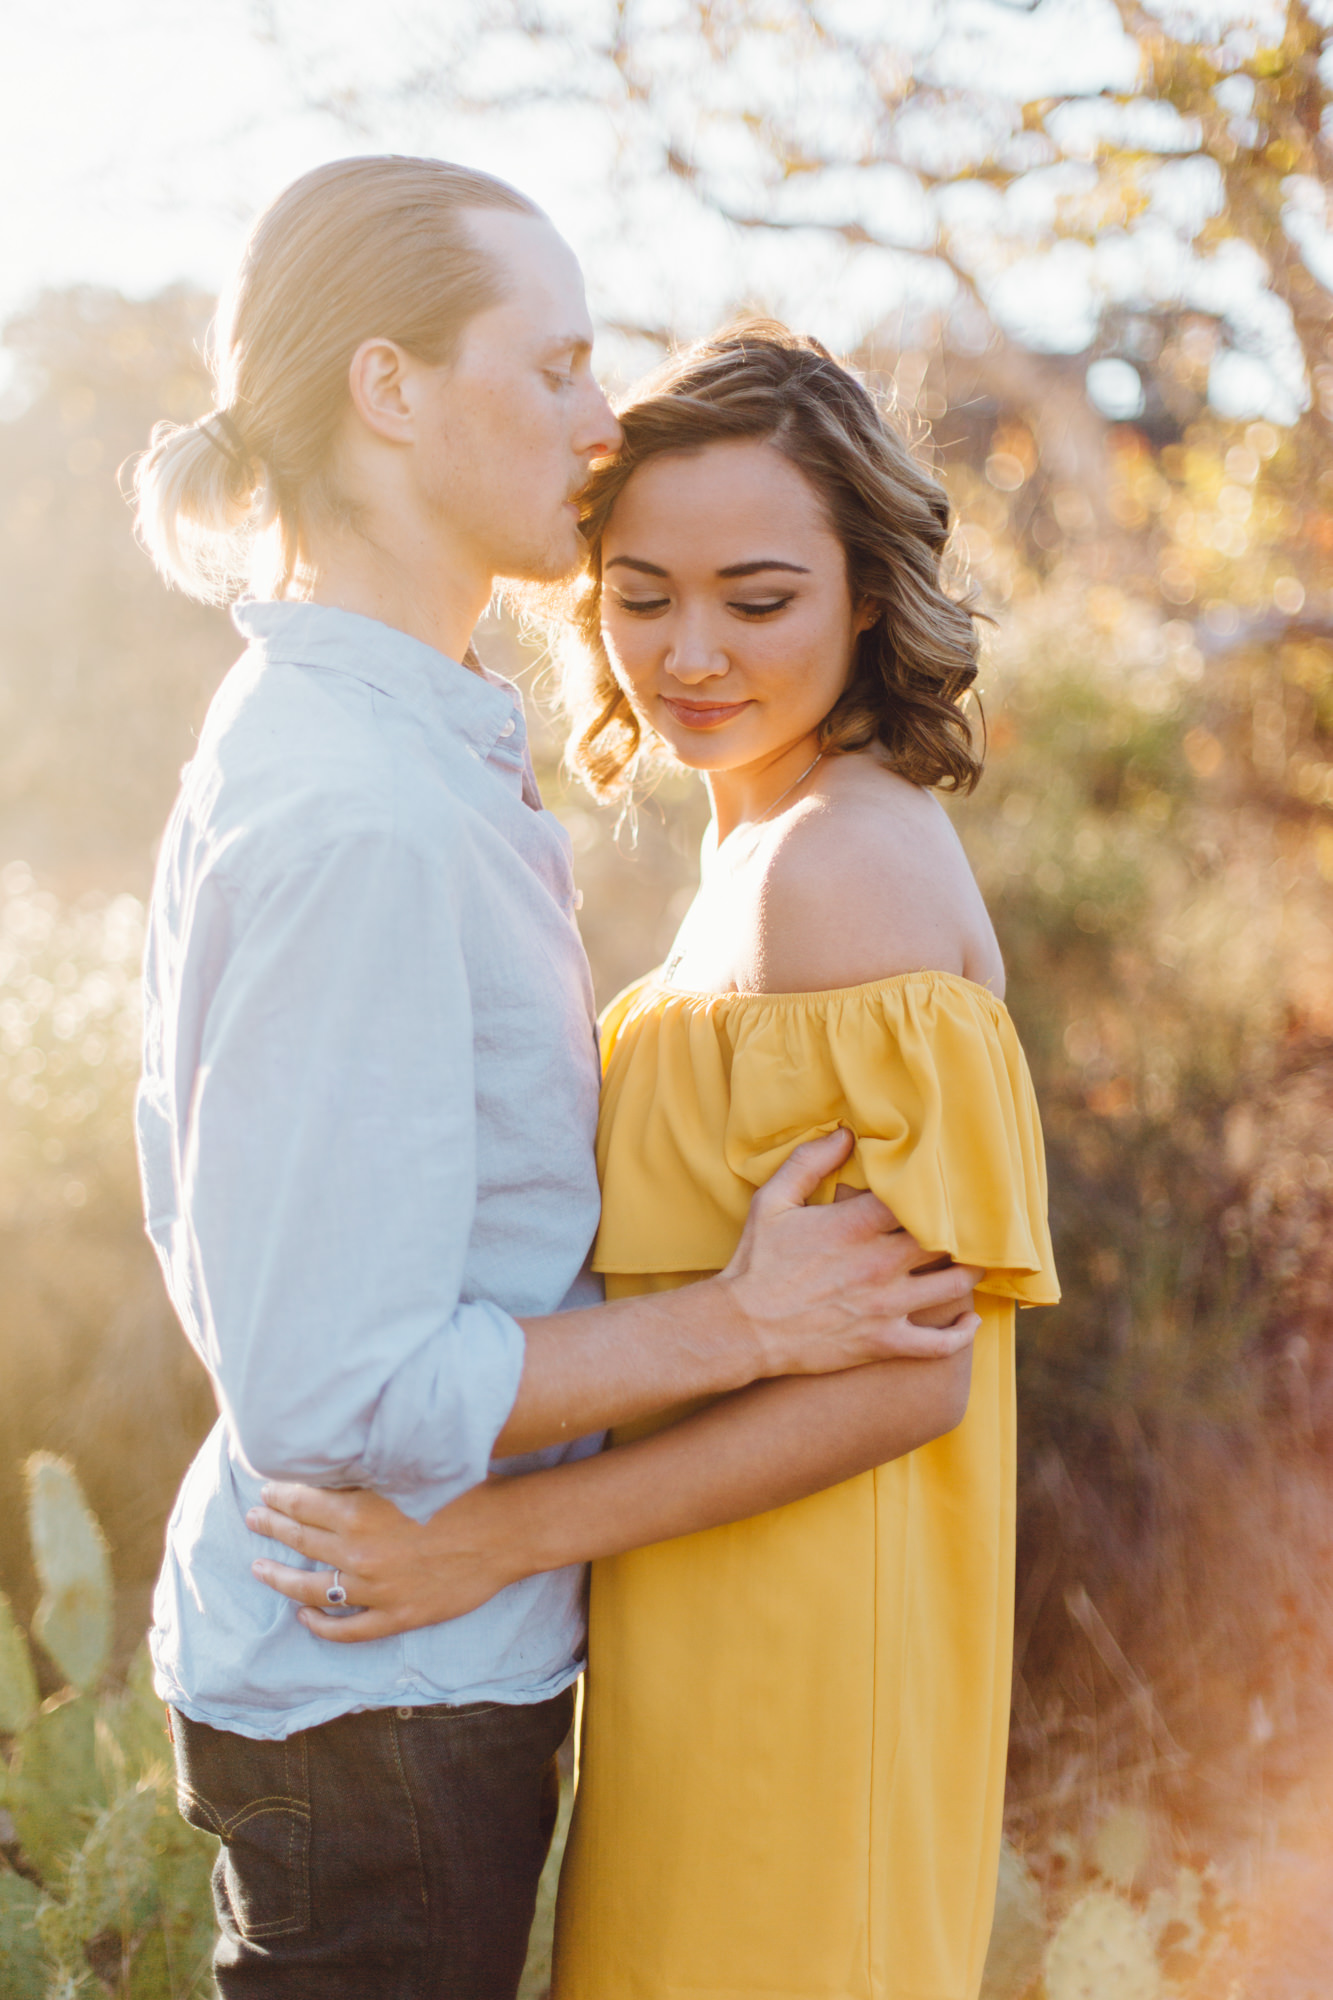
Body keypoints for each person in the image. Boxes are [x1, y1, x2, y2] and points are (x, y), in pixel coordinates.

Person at [131, 160, 980, 2000]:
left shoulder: (399, 756)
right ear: (390, 392)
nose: (603, 428)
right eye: (560, 363)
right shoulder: (363, 810)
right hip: (388, 1687)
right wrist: (738, 1328)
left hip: (476, 1660)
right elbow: (336, 1385)